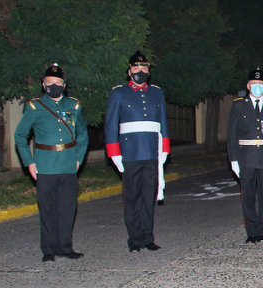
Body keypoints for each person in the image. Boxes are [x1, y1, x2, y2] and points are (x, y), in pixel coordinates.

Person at [14, 63, 89, 262]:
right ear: (43, 84)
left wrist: (78, 159)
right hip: (44, 165)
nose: (53, 86)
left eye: (58, 82)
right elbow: (20, 136)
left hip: (67, 164)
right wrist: (29, 162)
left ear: (64, 85)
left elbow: (82, 135)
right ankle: (48, 249)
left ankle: (65, 247)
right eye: (49, 82)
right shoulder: (34, 107)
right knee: (47, 208)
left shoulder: (73, 105)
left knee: (67, 208)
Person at [105, 51, 170, 253]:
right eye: (136, 68)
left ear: (148, 72)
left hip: (151, 151)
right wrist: (114, 154)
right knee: (132, 197)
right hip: (130, 153)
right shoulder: (119, 93)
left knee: (148, 196)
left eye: (144, 68)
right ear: (129, 71)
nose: (140, 71)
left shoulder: (157, 93)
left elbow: (163, 124)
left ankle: (148, 237)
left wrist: (164, 150)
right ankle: (134, 238)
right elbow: (110, 125)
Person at [227, 68, 263, 244]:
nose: (257, 87)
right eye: (254, 84)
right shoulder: (238, 105)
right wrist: (233, 160)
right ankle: (251, 232)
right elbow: (231, 135)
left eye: (260, 85)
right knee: (248, 197)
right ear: (248, 86)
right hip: (246, 158)